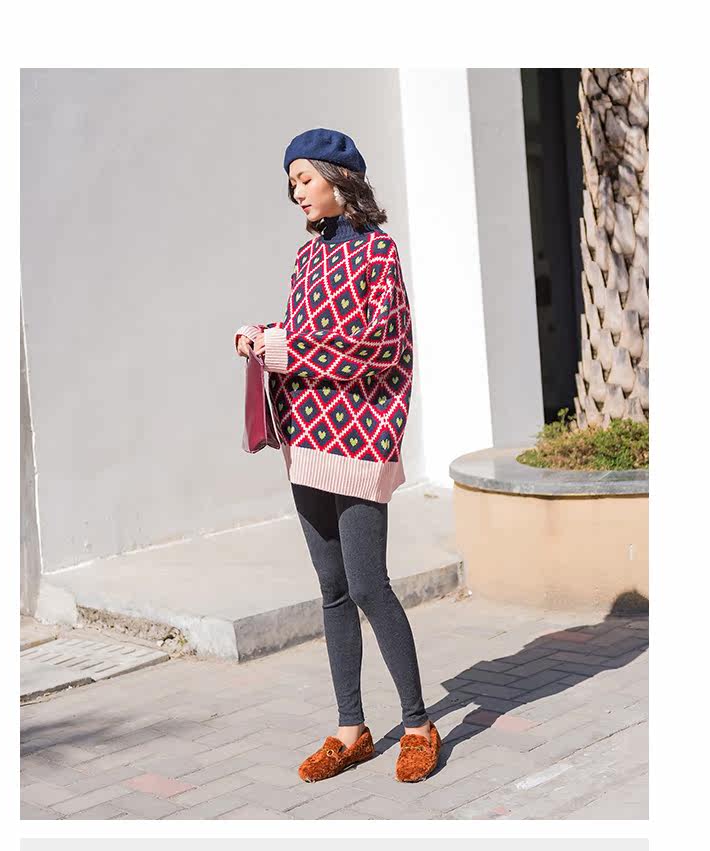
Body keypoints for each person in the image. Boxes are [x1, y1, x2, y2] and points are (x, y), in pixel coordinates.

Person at [234, 128, 441, 783]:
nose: (297, 192)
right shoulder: (305, 259)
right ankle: (352, 730)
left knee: (369, 585)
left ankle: (419, 724)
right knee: (331, 589)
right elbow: (309, 335)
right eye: (292, 183)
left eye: (305, 179)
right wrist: (263, 335)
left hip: (360, 439)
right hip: (306, 440)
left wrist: (286, 349)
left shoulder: (379, 251)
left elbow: (379, 348)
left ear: (339, 179)